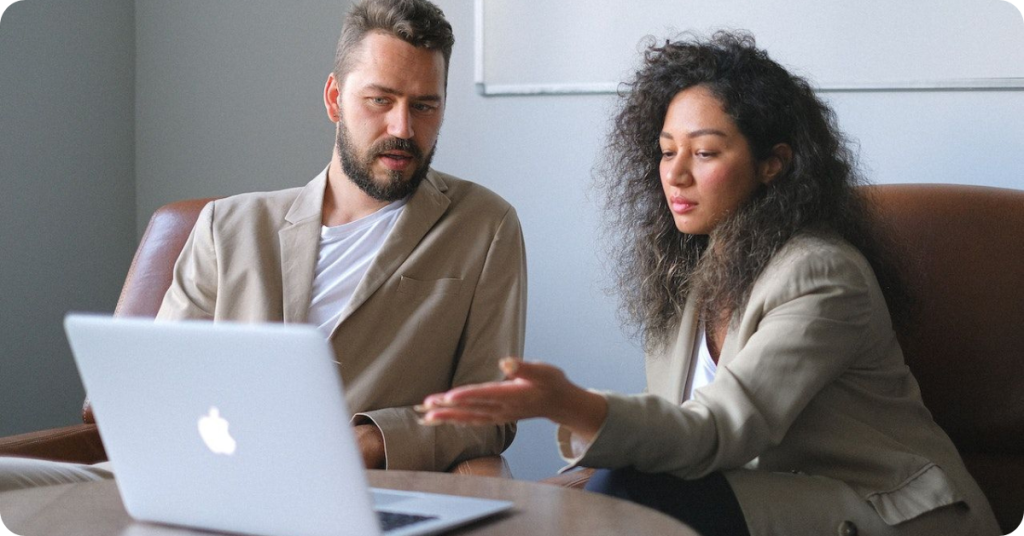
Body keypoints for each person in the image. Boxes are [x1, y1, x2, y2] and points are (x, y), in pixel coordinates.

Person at [420, 32, 1000, 536]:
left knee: (637, 493)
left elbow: (718, 430)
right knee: (592, 495)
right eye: (666, 151)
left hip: (889, 513)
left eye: (704, 152)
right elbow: (670, 435)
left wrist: (569, 404)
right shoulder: (688, 274)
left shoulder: (823, 274)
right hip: (764, 500)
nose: (675, 173)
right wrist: (544, 493)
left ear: (772, 163)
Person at [0, 0, 524, 491]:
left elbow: (494, 410)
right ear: (335, 99)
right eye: (380, 100)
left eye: (425, 106)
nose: (402, 128)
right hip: (191, 471)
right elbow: (160, 386)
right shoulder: (227, 226)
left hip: (348, 489)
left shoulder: (483, 226)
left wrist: (369, 441)